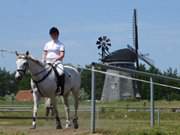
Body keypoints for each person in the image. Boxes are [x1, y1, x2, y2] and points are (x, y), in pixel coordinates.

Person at [43, 27, 65, 95]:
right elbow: (45, 53)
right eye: (52, 34)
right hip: (47, 62)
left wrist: (56, 59)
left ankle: (60, 87)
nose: (53, 36)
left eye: (54, 34)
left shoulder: (61, 44)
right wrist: (43, 59)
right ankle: (36, 87)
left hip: (57, 62)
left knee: (61, 72)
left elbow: (62, 55)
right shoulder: (47, 44)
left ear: (57, 35)